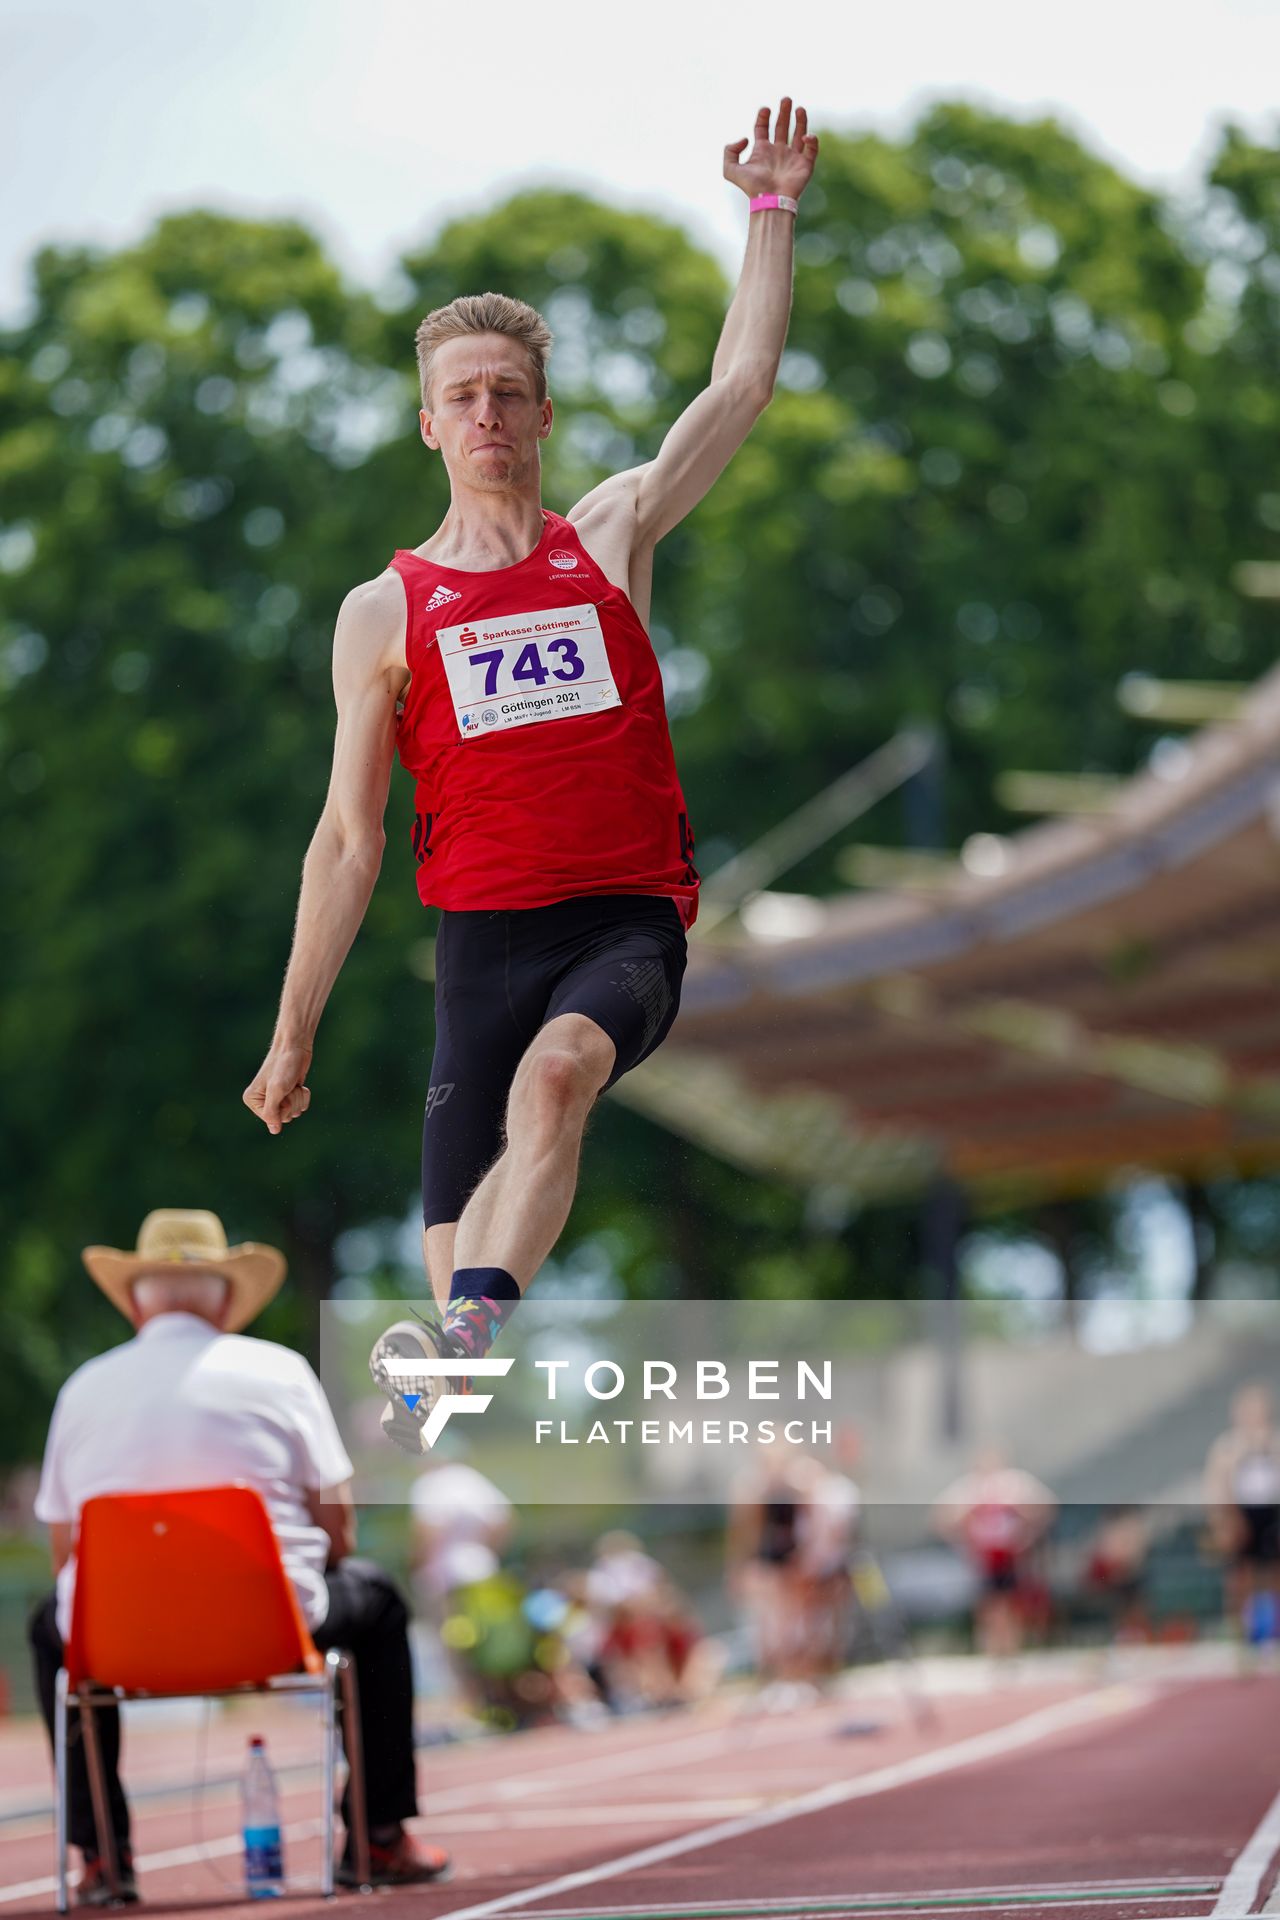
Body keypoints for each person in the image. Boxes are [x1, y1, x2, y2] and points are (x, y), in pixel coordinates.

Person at [241, 100, 821, 1447]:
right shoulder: (382, 611)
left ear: (543, 415)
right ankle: (460, 1352)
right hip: (478, 951)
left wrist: (770, 212)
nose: (489, 412)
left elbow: (738, 391)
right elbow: (346, 840)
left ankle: (467, 1336)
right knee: (458, 1271)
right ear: (429, 427)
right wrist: (293, 1031)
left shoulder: (609, 535)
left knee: (558, 1079)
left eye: (510, 392)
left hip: (620, 926)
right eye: (464, 396)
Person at [29, 1210, 450, 1905]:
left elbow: (65, 1553)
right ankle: (378, 1836)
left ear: (136, 1299)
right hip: (270, 1626)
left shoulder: (81, 1389)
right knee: (375, 1597)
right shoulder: (279, 1371)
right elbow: (338, 1532)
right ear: (226, 1296)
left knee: (51, 1622)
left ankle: (102, 1857)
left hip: (118, 1639)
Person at [933, 1447, 1057, 1659]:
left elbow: (1046, 1507)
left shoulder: (1015, 1483)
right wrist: (963, 1530)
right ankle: (992, 1650)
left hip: (1012, 1554)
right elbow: (941, 1517)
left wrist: (1027, 1529)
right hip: (983, 1557)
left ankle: (1011, 1649)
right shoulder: (968, 1488)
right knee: (989, 1605)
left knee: (1012, 1603)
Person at [1204, 1384, 1280, 1647]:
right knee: (1239, 1576)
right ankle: (1240, 1632)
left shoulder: (1274, 1441)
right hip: (1239, 1514)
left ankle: (1273, 1629)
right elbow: (1217, 1484)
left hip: (1270, 1513)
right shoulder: (1227, 1446)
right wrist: (1224, 1520)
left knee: (1273, 1572)